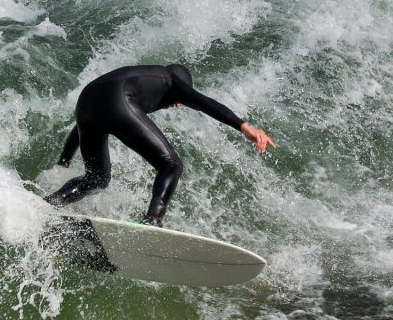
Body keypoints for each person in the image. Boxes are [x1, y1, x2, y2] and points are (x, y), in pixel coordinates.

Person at [45, 64, 275, 226]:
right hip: (116, 99)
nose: (177, 105)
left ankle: (50, 204)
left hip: (87, 102)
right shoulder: (171, 80)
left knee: (96, 178)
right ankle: (152, 220)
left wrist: (64, 159)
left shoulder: (144, 79)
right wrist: (244, 126)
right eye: (180, 101)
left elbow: (82, 125)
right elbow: (203, 102)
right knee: (171, 164)